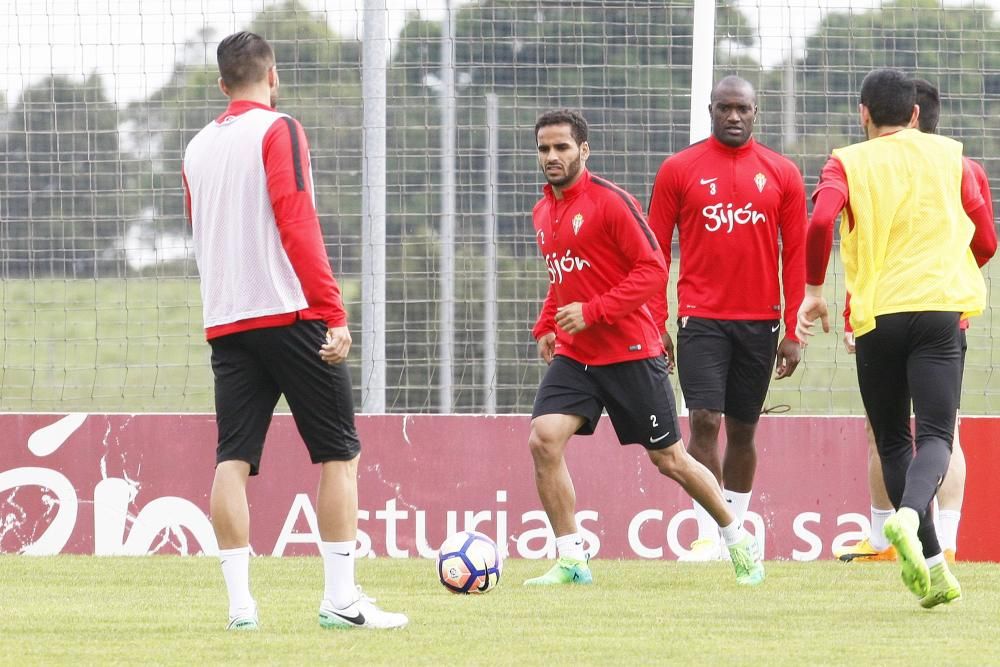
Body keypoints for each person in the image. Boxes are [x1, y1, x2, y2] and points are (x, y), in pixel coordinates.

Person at [182, 31, 407, 631]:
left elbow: (199, 233)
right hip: (290, 314)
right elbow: (296, 219)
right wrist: (332, 309)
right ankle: (340, 599)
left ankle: (240, 609)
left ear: (222, 83)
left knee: (231, 459)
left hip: (226, 323)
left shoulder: (196, 147)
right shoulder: (280, 129)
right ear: (272, 76)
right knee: (339, 454)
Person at [524, 108, 765, 586]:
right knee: (543, 439)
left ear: (583, 150)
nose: (552, 156)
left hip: (631, 351)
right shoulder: (542, 211)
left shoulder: (610, 202)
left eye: (562, 147)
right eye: (544, 149)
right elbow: (563, 278)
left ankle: (737, 536)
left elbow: (653, 271)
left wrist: (593, 312)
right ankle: (572, 559)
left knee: (669, 459)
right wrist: (547, 323)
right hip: (577, 355)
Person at [797, 68, 995, 608]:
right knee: (936, 435)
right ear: (914, 115)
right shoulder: (952, 158)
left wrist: (814, 290)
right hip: (939, 314)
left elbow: (819, 225)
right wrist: (955, 268)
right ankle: (912, 521)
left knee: (890, 440)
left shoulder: (847, 161)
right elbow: (988, 240)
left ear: (863, 114)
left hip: (877, 316)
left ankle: (932, 568)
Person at [646, 75, 807, 561]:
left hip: (761, 322)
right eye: (724, 108)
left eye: (743, 109)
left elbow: (796, 256)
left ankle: (733, 531)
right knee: (704, 420)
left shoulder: (782, 173)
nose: (733, 116)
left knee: (742, 429)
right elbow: (653, 255)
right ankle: (709, 535)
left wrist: (793, 328)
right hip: (701, 319)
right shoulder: (679, 169)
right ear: (710, 110)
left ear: (756, 113)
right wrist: (658, 322)